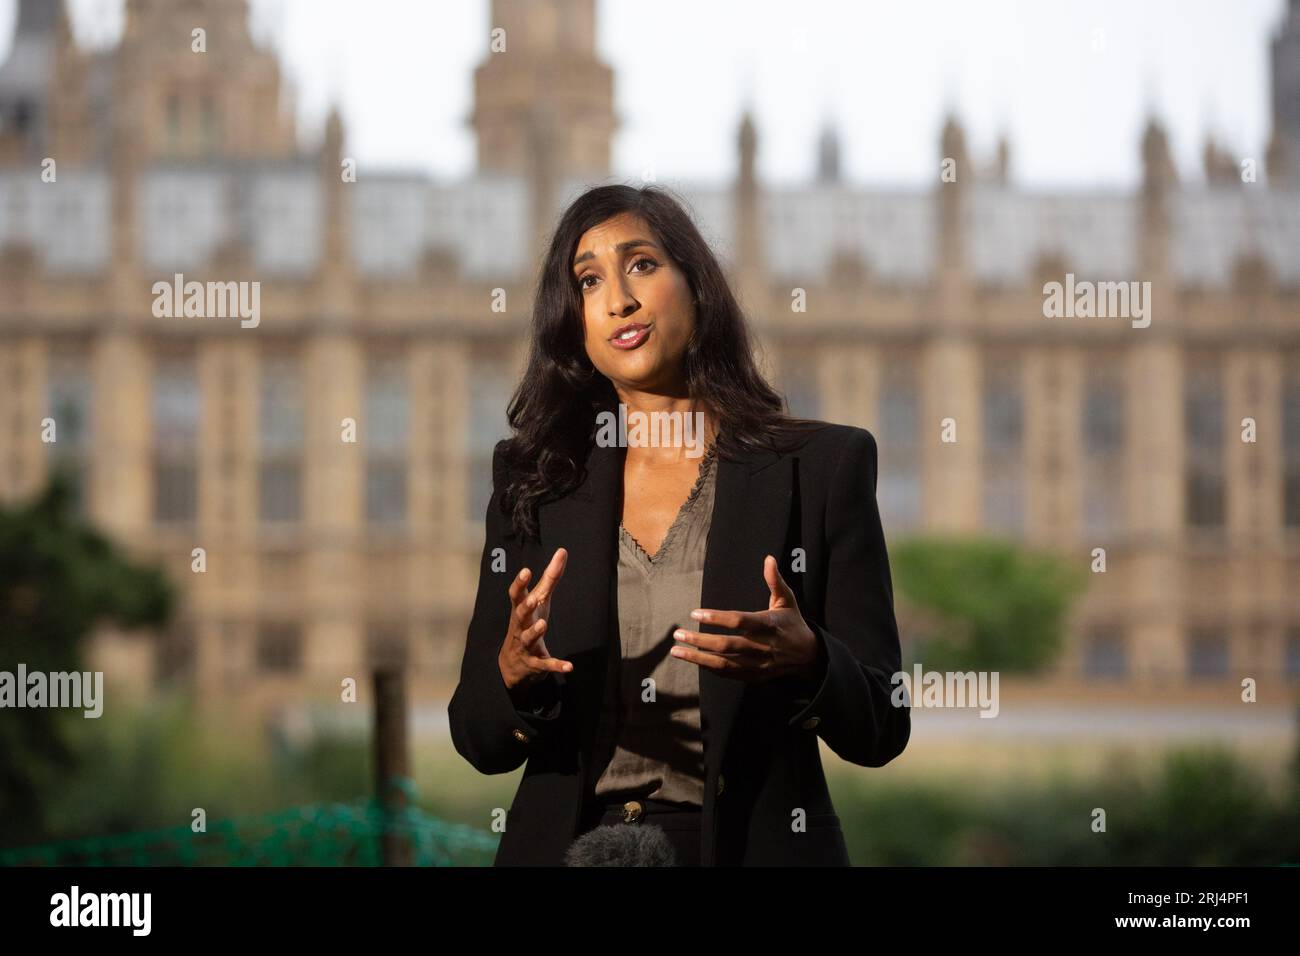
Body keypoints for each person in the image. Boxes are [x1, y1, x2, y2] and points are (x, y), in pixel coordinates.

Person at [448, 183, 910, 866]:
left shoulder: (821, 467)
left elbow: (882, 724)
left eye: (641, 265)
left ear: (697, 286)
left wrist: (810, 659)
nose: (619, 300)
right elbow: (477, 737)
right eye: (588, 280)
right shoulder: (536, 484)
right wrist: (514, 675)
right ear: (572, 320)